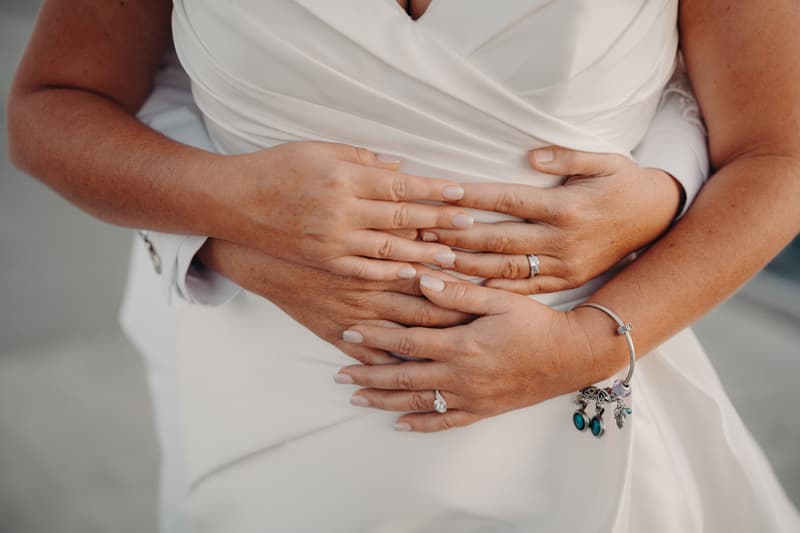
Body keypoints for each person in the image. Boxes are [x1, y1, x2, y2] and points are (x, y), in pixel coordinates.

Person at [7, 0, 800, 531]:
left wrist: (588, 347)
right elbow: (54, 103)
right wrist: (225, 208)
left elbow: (777, 151)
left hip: (578, 397)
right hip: (273, 392)